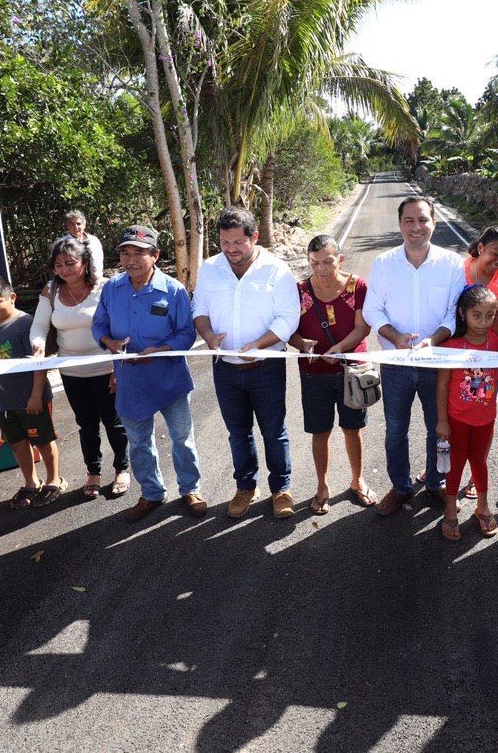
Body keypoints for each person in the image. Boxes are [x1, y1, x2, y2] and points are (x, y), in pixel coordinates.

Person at [194, 209, 301, 519]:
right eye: (225, 242)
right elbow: (199, 310)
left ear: (254, 237)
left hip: (266, 367)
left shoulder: (277, 270)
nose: (231, 249)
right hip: (225, 368)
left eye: (238, 242)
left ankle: (281, 489)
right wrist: (209, 335)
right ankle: (245, 487)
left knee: (273, 431)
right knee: (238, 433)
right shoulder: (210, 269)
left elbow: (288, 317)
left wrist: (259, 344)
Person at [94, 225, 205, 522]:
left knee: (182, 437)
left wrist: (163, 349)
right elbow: (99, 326)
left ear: (155, 255)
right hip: (130, 382)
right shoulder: (112, 288)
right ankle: (152, 493)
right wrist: (110, 342)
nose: (131, 260)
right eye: (125, 253)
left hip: (170, 380)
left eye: (139, 253)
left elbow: (187, 333)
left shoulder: (174, 290)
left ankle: (190, 489)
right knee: (140, 441)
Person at [364, 195, 466, 515]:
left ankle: (436, 483)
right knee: (396, 428)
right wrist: (394, 337)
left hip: (437, 363)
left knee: (439, 427)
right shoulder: (383, 263)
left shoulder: (452, 264)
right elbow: (372, 309)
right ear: (399, 224)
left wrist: (433, 340)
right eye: (409, 220)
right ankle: (400, 486)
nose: (416, 227)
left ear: (433, 223)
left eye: (423, 220)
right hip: (396, 364)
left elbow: (455, 313)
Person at [31, 236, 130, 499]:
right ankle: (93, 473)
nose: (64, 270)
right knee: (86, 425)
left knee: (114, 423)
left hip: (106, 370)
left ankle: (122, 469)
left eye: (70, 263)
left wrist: (117, 368)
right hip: (71, 374)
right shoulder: (50, 290)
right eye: (59, 264)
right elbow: (39, 326)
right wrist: (37, 345)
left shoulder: (105, 288)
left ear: (85, 263)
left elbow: (121, 328)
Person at [288, 234, 376, 515]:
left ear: (340, 259)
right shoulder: (299, 290)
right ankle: (322, 486)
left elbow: (363, 328)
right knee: (319, 432)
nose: (321, 269)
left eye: (328, 262)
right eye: (314, 262)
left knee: (353, 428)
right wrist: (301, 344)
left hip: (352, 370)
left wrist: (338, 348)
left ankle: (357, 480)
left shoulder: (358, 285)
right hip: (314, 373)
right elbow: (288, 328)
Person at [436, 284, 498, 541]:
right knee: (455, 463)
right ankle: (449, 507)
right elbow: (443, 385)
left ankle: (483, 506)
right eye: (477, 315)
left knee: (479, 461)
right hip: (456, 420)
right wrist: (442, 421)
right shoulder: (451, 346)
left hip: (485, 420)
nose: (483, 321)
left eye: (490, 315)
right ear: (462, 313)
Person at [0, 275, 62, 510]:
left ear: (12, 297)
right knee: (17, 443)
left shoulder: (26, 324)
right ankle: (31, 482)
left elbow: (39, 364)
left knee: (43, 441)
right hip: (3, 400)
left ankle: (54, 479)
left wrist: (35, 396)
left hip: (31, 399)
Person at [64, 209, 105, 276]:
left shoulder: (94, 241)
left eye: (78, 224)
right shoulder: (62, 243)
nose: (75, 227)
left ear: (84, 225)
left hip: (95, 280)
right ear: (67, 226)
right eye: (71, 224)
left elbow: (99, 263)